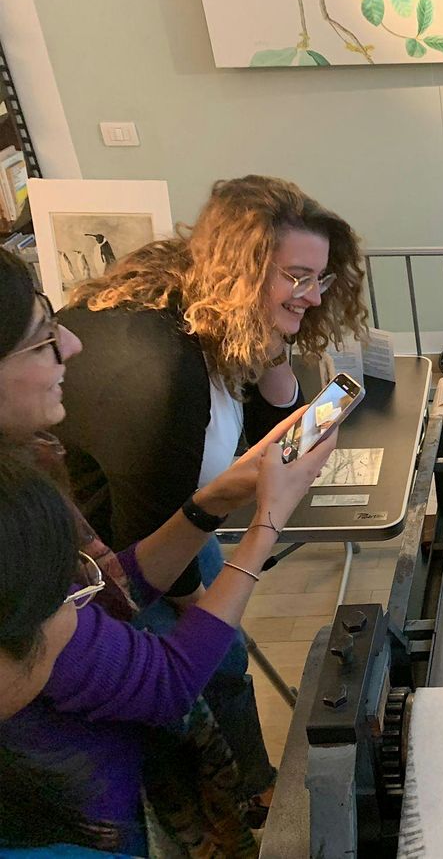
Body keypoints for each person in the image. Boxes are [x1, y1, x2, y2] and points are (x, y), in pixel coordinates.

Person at [52, 175, 369, 819]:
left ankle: (250, 782)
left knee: (221, 653)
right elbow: (147, 553)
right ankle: (236, 806)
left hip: (174, 518)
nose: (312, 296)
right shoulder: (164, 373)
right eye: (297, 277)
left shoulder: (205, 307)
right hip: (110, 569)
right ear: (243, 269)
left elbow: (259, 434)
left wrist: (277, 349)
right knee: (206, 671)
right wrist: (220, 595)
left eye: (320, 279)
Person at [0, 246, 323, 854]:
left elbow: (107, 589)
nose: (72, 345)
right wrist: (268, 522)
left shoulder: (30, 470)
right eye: (42, 339)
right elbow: (167, 679)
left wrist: (222, 495)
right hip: (85, 826)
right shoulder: (15, 522)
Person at [0, 429, 334, 856]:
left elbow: (115, 593)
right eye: (62, 598)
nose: (83, 605)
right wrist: (267, 523)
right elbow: (169, 680)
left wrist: (213, 500)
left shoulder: (23, 574)